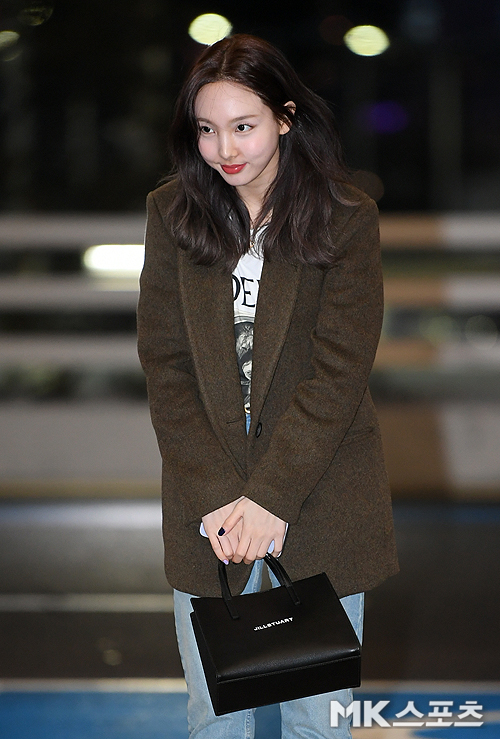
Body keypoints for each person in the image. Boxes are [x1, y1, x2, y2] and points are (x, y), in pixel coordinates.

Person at [137, 33, 398, 739]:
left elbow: (339, 371)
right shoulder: (173, 213)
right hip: (211, 511)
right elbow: (165, 365)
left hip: (319, 497)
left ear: (285, 118)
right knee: (217, 723)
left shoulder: (345, 218)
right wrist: (219, 496)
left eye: (243, 126)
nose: (224, 148)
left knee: (320, 724)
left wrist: (270, 499)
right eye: (207, 129)